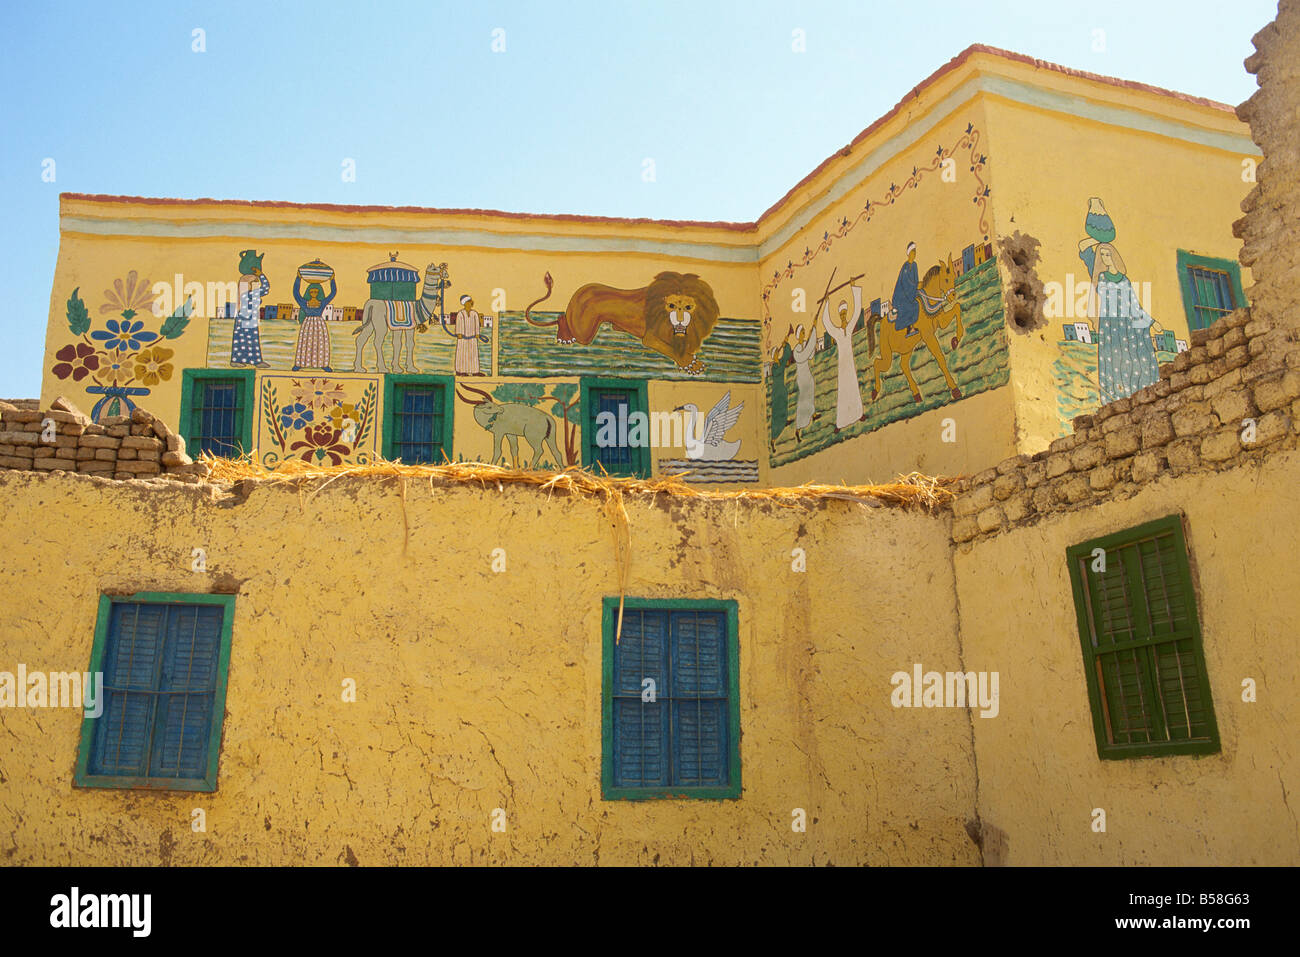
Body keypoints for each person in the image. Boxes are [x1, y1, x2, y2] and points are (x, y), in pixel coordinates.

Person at [1078, 198, 1159, 403]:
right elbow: (1082, 247)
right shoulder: (1099, 277)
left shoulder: (1124, 280)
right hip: (1111, 326)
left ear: (1114, 256)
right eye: (1102, 254)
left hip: (1130, 325)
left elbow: (1134, 305)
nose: (1105, 257)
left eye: (1108, 253)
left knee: (1138, 362)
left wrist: (1151, 322)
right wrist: (1100, 236)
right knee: (1114, 367)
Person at [821, 285, 865, 430]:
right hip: (842, 365)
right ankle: (841, 423)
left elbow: (857, 310)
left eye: (845, 313)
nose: (844, 316)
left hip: (850, 363)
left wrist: (854, 288)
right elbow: (827, 324)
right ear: (839, 316)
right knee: (843, 392)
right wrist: (826, 303)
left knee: (853, 387)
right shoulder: (838, 332)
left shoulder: (850, 326)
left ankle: (859, 414)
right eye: (842, 315)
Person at [230, 250, 270, 369]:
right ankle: (251, 361)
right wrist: (261, 275)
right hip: (247, 318)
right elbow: (266, 288)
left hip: (245, 318)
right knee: (248, 341)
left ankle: (245, 360)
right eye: (252, 282)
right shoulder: (250, 294)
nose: (254, 283)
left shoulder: (246, 293)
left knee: (245, 341)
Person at [292, 274, 337, 372]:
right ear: (308, 292)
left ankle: (323, 364)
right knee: (305, 343)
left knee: (320, 343)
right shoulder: (304, 302)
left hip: (319, 324)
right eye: (311, 291)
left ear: (319, 292)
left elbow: (333, 293)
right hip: (307, 323)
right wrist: (298, 278)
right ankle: (300, 363)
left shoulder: (322, 302)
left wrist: (332, 280)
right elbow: (296, 293)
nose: (314, 293)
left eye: (316, 291)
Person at [791, 323, 819, 441]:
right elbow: (804, 355)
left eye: (804, 332)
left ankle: (813, 414)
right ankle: (798, 428)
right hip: (802, 378)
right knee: (803, 401)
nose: (803, 334)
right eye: (802, 332)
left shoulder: (803, 346)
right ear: (799, 335)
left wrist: (812, 339)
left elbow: (810, 354)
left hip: (808, 375)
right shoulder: (797, 350)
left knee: (810, 394)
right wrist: (812, 336)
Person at [890, 242, 921, 339]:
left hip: (910, 293)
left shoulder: (915, 265)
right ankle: (908, 328)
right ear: (908, 253)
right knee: (910, 305)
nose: (914, 253)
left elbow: (916, 279)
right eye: (912, 251)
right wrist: (914, 287)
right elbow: (905, 282)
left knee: (917, 303)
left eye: (915, 251)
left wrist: (917, 286)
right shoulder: (905, 267)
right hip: (901, 295)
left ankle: (912, 326)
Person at [453, 294, 485, 376]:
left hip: (472, 338)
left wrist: (477, 334)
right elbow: (459, 324)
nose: (469, 304)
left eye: (470, 303)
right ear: (464, 304)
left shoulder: (474, 313)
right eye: (467, 303)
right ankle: (461, 371)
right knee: (462, 354)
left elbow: (477, 325)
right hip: (463, 338)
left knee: (472, 354)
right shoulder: (460, 314)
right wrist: (459, 333)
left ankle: (474, 371)